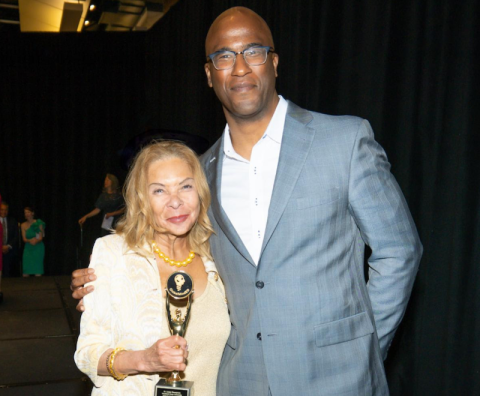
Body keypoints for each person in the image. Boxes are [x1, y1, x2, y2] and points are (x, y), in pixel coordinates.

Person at [72, 7, 423, 395]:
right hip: (241, 382)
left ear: (274, 62)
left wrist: (363, 349)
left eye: (253, 51)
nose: (239, 67)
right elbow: (173, 255)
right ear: (209, 74)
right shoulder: (200, 175)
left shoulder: (344, 141)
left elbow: (399, 251)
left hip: (340, 379)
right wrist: (103, 279)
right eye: (224, 56)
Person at [74, 141, 230, 396]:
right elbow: (86, 355)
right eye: (159, 191)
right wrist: (144, 360)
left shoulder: (218, 256)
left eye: (185, 186)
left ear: (200, 191)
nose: (175, 202)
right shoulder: (113, 253)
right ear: (141, 199)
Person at [21, 206, 46, 277]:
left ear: (32, 213)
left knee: (37, 269)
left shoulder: (38, 223)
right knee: (26, 268)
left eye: (28, 212)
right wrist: (30, 240)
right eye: (25, 213)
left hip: (38, 247)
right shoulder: (23, 225)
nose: (27, 214)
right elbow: (24, 238)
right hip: (28, 247)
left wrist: (36, 240)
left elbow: (41, 237)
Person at [1, 201, 20, 277]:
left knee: (8, 274)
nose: (4, 211)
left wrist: (8, 246)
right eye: (2, 209)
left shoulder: (13, 221)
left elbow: (16, 236)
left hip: (9, 251)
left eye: (5, 210)